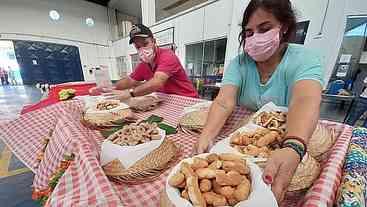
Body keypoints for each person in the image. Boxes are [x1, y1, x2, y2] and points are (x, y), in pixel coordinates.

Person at [195, 0, 323, 203]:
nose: (256, 37)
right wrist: (206, 136)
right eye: (249, 32)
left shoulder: (304, 59)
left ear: (285, 27)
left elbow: (305, 99)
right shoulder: (239, 64)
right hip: (246, 137)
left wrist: (294, 147)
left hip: (290, 133)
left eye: (265, 29)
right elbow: (223, 102)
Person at [89, 24, 198, 99]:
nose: (142, 49)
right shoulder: (144, 65)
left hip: (187, 100)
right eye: (138, 46)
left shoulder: (168, 56)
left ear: (154, 41)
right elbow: (129, 81)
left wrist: (129, 93)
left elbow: (157, 82)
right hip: (168, 101)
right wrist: (109, 88)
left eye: (145, 44)